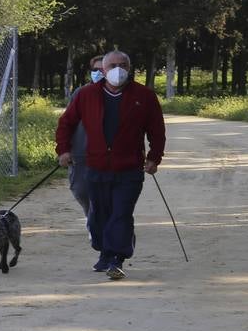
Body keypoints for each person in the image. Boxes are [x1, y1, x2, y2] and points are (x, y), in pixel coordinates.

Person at [56, 51, 166, 280]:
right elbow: (66, 123)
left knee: (121, 213)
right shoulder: (86, 95)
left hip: (129, 168)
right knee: (98, 216)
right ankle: (105, 252)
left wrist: (155, 157)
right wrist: (64, 150)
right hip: (96, 167)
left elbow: (157, 130)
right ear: (103, 71)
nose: (118, 69)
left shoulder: (144, 96)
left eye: (123, 64)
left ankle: (117, 258)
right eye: (113, 65)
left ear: (130, 67)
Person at [67, 54, 106, 227]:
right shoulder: (80, 93)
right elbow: (67, 122)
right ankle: (92, 217)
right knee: (81, 191)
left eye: (103, 70)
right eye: (95, 70)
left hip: (108, 155)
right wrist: (64, 149)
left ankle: (101, 224)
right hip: (81, 153)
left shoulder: (120, 94)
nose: (99, 73)